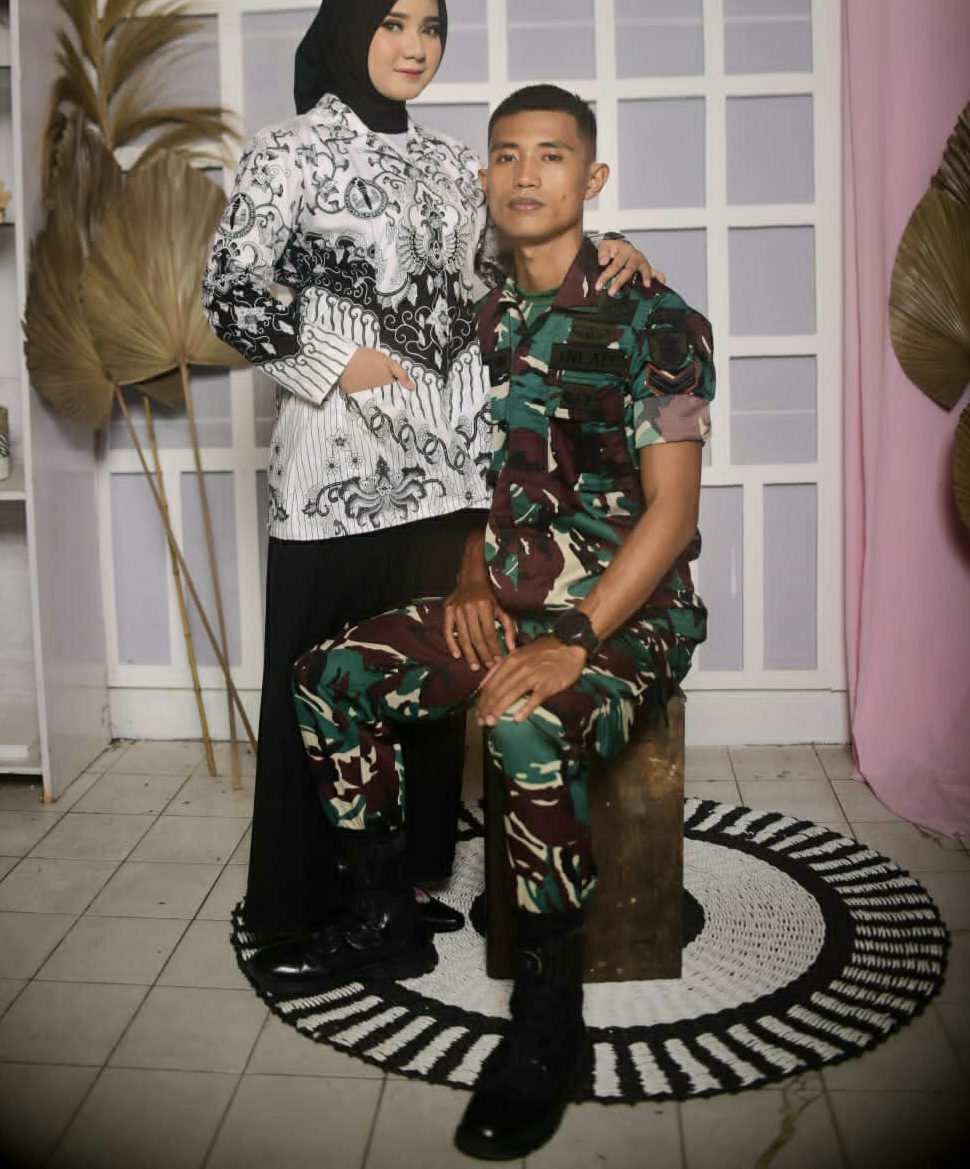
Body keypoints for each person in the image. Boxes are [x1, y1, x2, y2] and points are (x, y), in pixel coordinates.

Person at [250, 83, 714, 1161]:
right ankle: (385, 921)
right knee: (329, 677)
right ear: (485, 176)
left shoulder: (659, 320)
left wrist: (575, 640)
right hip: (508, 598)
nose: (523, 174)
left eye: (550, 154)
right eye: (505, 154)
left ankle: (549, 1024)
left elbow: (674, 512)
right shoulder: (479, 317)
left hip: (626, 616)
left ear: (591, 178)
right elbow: (477, 473)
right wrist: (470, 570)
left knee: (523, 726)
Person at [202, 0, 658, 942]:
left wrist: (609, 250)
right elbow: (228, 295)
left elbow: (519, 258)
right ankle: (298, 910)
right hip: (335, 478)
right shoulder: (288, 152)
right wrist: (339, 361)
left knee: (424, 697)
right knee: (316, 691)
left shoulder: (455, 162)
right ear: (348, 28)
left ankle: (398, 890)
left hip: (450, 477)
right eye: (394, 23)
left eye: (431, 27)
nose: (415, 46)